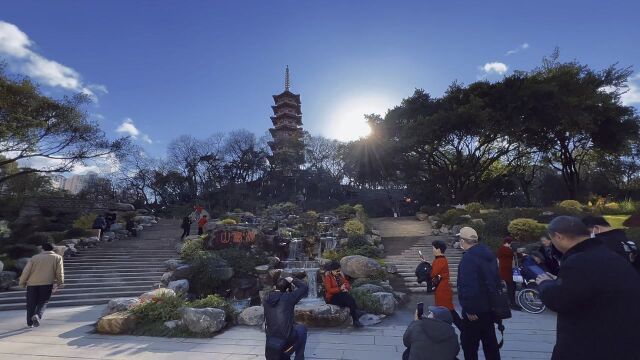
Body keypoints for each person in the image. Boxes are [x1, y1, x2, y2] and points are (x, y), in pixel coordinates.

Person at [536, 216, 640, 360]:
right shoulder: (608, 254)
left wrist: (545, 283)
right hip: (623, 339)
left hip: (592, 344)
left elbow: (558, 300)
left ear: (558, 236)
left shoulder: (578, 261)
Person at [456, 226, 501, 360]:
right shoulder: (488, 254)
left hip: (474, 311)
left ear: (463, 241)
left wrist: (469, 309)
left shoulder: (468, 258)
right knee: (490, 343)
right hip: (489, 306)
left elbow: (469, 285)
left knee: (469, 345)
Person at [18, 243, 64, 328]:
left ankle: (29, 323)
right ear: (53, 249)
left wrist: (22, 282)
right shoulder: (57, 258)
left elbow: (26, 271)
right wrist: (59, 282)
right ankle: (38, 316)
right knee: (43, 301)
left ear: (42, 249)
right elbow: (59, 272)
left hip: (32, 284)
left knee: (31, 303)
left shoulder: (35, 258)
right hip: (47, 283)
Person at [263, 276, 309, 360]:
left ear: (275, 287)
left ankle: (284, 354)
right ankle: (299, 358)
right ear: (287, 290)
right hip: (286, 339)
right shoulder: (289, 297)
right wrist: (292, 279)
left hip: (271, 340)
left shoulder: (266, 298)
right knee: (302, 329)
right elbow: (304, 287)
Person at [322, 261, 363, 327]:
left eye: (339, 270)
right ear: (331, 270)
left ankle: (355, 319)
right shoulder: (328, 278)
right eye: (337, 271)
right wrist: (340, 289)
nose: (338, 272)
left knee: (349, 299)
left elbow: (347, 283)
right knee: (346, 297)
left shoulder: (339, 276)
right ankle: (356, 315)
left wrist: (345, 287)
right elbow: (329, 290)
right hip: (331, 298)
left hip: (340, 295)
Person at [430, 240, 460, 327]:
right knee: (447, 311)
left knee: (448, 311)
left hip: (442, 290)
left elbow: (433, 273)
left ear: (438, 249)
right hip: (442, 289)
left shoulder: (440, 260)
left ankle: (464, 329)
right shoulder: (441, 260)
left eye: (433, 248)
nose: (432, 250)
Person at [496, 237, 519, 311]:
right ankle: (512, 303)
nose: (511, 245)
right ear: (507, 242)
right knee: (511, 287)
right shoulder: (504, 249)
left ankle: (511, 302)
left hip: (506, 271)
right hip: (506, 271)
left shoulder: (503, 249)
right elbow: (514, 253)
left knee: (511, 287)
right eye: (511, 243)